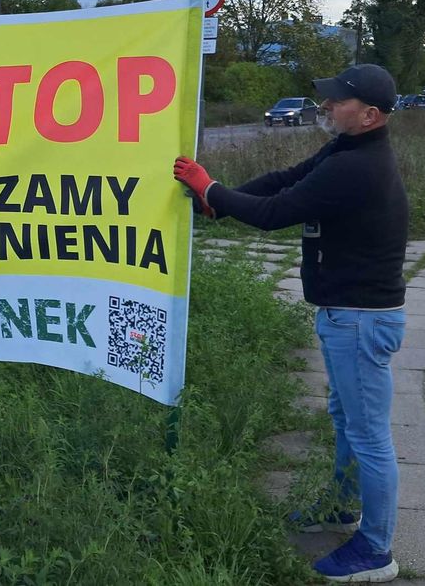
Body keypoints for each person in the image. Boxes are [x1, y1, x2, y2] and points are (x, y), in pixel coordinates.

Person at [173, 64, 407, 584]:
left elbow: (279, 211)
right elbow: (285, 181)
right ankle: (344, 506)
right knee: (346, 421)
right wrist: (219, 200)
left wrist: (212, 189)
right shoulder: (346, 150)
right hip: (347, 315)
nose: (325, 106)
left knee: (369, 435)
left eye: (337, 101)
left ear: (368, 115)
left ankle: (376, 549)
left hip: (361, 320)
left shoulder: (359, 167)